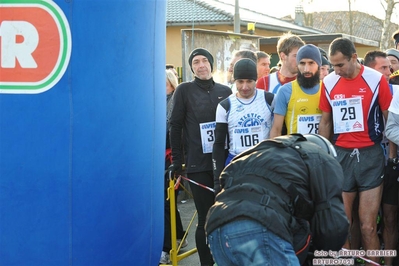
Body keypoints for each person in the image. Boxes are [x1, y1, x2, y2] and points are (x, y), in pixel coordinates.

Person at [205, 134, 348, 266]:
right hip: (257, 225)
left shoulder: (259, 156)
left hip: (216, 228)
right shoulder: (321, 158)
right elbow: (332, 226)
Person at [318, 37, 392, 264]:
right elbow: (326, 122)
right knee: (342, 225)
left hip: (370, 155)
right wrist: (321, 156)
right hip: (340, 156)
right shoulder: (329, 82)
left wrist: (392, 154)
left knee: (368, 226)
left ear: (353, 57)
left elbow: (390, 119)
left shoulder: (376, 79)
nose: (336, 70)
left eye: (340, 65)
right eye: (333, 65)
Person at [168, 48, 231, 266]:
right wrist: (177, 160)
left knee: (228, 216)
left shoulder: (226, 90)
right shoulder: (184, 90)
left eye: (205, 60)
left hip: (225, 163)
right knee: (205, 217)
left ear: (212, 64)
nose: (201, 64)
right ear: (191, 67)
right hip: (198, 164)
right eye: (196, 62)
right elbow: (174, 126)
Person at [212, 58, 274, 192]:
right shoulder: (225, 106)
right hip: (236, 163)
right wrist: (217, 180)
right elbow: (218, 143)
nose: (245, 87)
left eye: (249, 81)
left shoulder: (269, 99)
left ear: (256, 79)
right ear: (234, 80)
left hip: (264, 163)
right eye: (240, 81)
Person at [161, 70, 188, 264]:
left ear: (171, 83)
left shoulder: (175, 103)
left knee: (167, 201)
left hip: (173, 158)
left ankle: (168, 248)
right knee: (167, 202)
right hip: (161, 157)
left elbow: (174, 133)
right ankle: (180, 235)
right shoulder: (157, 102)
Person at [270, 44, 322, 138]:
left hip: (320, 149)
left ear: (319, 65)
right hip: (295, 150)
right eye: (302, 63)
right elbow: (276, 130)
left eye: (311, 63)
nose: (306, 69)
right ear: (297, 65)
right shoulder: (285, 91)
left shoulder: (327, 89)